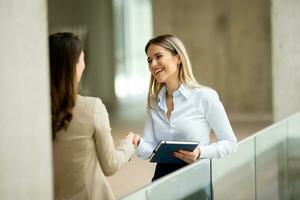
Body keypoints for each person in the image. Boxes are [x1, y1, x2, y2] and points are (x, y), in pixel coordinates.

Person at [133, 34, 238, 181]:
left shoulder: (205, 97)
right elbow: (150, 150)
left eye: (158, 57)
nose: (153, 64)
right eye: (149, 60)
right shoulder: (154, 102)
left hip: (195, 179)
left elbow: (231, 144)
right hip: (162, 180)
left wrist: (200, 152)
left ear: (178, 58)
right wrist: (137, 143)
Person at [49, 32, 135, 200]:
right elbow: (110, 165)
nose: (84, 64)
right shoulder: (92, 107)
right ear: (74, 65)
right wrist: (129, 144)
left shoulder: (35, 117)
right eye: (82, 59)